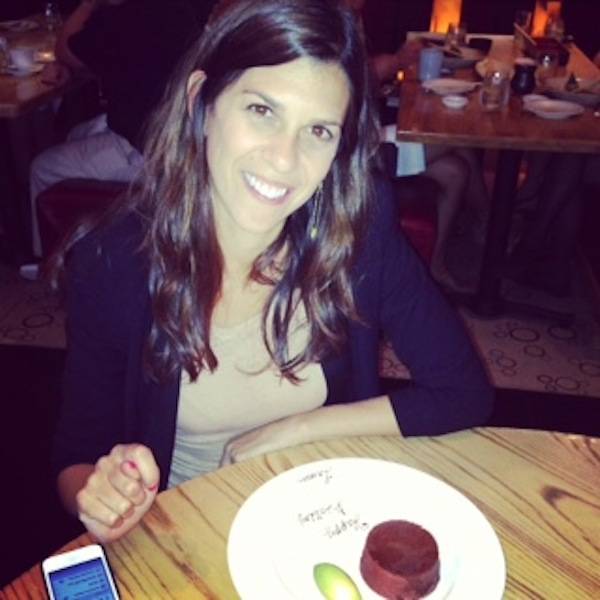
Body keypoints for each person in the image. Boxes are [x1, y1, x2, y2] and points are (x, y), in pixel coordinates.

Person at [51, 0, 493, 544]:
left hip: (314, 522)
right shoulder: (114, 262)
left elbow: (462, 391)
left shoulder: (357, 231)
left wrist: (296, 429)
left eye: (319, 131)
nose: (285, 160)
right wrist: (102, 497)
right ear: (201, 102)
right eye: (262, 110)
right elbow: (75, 461)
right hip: (186, 531)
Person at [28, 0, 216, 257]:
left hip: (151, 151)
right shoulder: (177, 8)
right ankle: (87, 239)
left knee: (42, 167)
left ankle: (44, 260)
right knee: (76, 136)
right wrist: (71, 67)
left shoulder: (119, 16)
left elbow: (64, 50)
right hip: (181, 132)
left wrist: (89, 4)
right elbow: (103, 60)